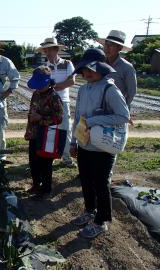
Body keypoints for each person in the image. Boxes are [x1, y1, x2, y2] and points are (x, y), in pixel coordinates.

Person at [70, 48, 130, 239]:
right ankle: (89, 210)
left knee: (101, 183)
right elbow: (78, 116)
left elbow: (123, 116)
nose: (86, 73)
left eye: (91, 69)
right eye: (84, 70)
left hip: (103, 147)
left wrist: (95, 121)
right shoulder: (83, 89)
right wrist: (73, 141)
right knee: (86, 179)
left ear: (102, 68)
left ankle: (101, 221)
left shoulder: (110, 89)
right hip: (85, 144)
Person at [24, 66, 63, 197]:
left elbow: (59, 118)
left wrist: (41, 118)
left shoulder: (54, 97)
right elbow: (31, 113)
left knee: (45, 164)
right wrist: (28, 130)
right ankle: (36, 185)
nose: (38, 88)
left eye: (41, 85)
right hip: (34, 134)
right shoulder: (36, 94)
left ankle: (46, 190)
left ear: (48, 82)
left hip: (47, 136)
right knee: (33, 162)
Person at [38, 37, 76, 167]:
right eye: (46, 50)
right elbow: (40, 86)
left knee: (65, 129)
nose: (47, 53)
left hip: (63, 101)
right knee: (49, 129)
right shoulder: (44, 67)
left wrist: (53, 86)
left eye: (50, 50)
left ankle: (66, 157)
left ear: (56, 50)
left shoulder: (67, 64)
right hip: (47, 102)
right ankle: (51, 154)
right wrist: (55, 87)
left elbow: (71, 81)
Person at [98, 30, 137, 108]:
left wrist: (122, 108)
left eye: (111, 45)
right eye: (106, 44)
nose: (107, 48)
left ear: (119, 48)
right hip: (99, 107)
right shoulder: (100, 64)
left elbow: (131, 92)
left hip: (117, 109)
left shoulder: (127, 67)